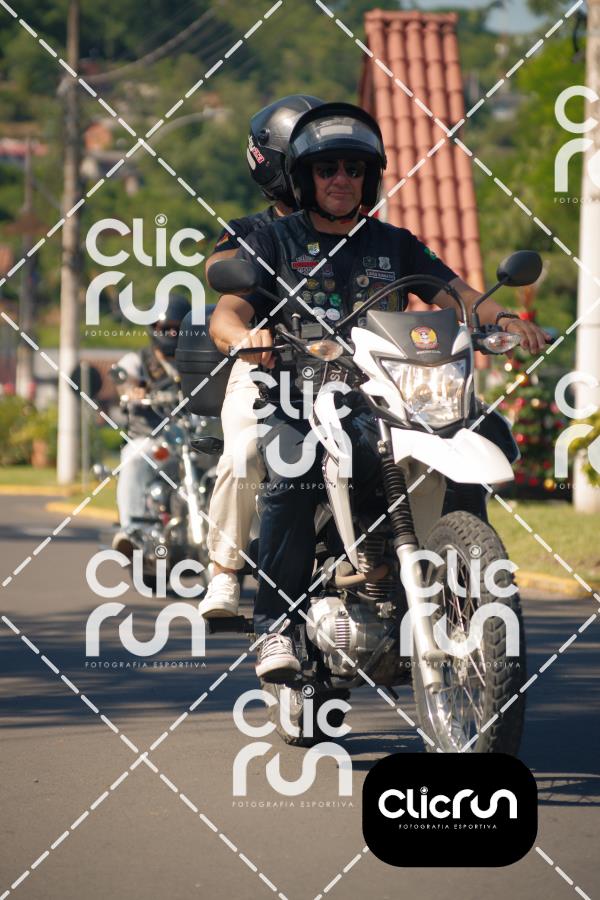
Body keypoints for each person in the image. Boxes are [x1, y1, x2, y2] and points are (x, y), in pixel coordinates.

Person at [208, 101, 550, 681]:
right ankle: (275, 627)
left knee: (472, 436)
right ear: (304, 177)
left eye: (354, 168)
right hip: (300, 388)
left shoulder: (395, 242)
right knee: (290, 468)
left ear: (370, 177)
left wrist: (505, 319)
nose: (341, 179)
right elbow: (227, 314)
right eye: (327, 169)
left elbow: (458, 295)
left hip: (387, 391)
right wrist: (245, 336)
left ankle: (456, 590)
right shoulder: (271, 240)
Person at [198, 94, 324, 618]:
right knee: (246, 451)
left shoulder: (363, 233)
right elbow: (220, 269)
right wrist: (251, 335)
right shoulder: (252, 232)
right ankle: (225, 570)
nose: (329, 173)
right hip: (270, 370)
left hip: (355, 373)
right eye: (313, 160)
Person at [112, 293, 191, 554]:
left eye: (176, 328)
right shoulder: (138, 360)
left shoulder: (197, 358)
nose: (170, 333)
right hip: (153, 441)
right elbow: (125, 378)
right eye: (164, 328)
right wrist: (132, 390)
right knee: (134, 456)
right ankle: (132, 532)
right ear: (153, 328)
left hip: (193, 438)